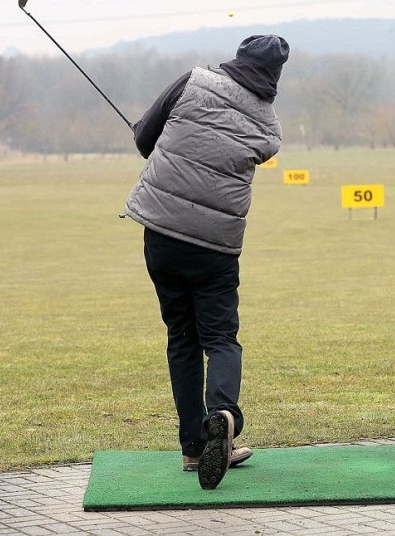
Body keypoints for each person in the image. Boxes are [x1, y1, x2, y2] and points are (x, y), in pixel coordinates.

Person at [123, 34, 290, 490]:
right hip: (216, 246)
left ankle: (194, 449)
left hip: (161, 233)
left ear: (237, 57)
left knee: (181, 337)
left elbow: (144, 139)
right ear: (275, 76)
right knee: (220, 339)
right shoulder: (269, 128)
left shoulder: (192, 81)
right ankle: (223, 416)